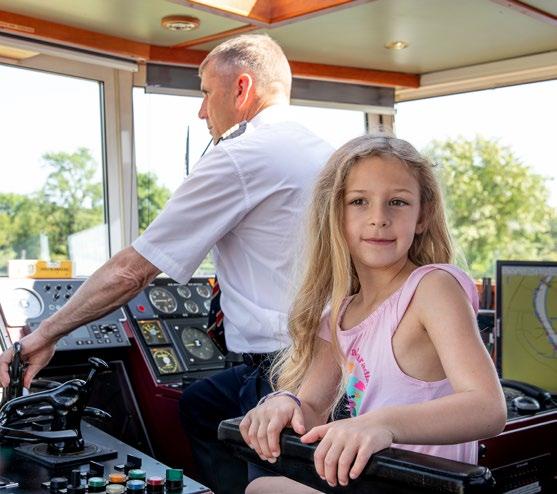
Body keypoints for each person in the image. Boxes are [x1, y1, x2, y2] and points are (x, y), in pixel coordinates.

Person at [0, 34, 333, 494]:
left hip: (286, 367)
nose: (202, 111)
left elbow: (133, 271)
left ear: (242, 88)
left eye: (206, 93)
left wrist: (43, 335)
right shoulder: (323, 151)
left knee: (265, 473)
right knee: (200, 404)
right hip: (329, 358)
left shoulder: (242, 156)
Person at [240, 134, 507, 493]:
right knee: (261, 488)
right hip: (371, 483)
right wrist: (284, 403)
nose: (379, 218)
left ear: (422, 215)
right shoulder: (339, 314)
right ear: (335, 214)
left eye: (397, 202)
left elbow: (488, 408)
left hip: (424, 486)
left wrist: (383, 425)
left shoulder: (432, 289)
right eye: (359, 202)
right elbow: (313, 408)